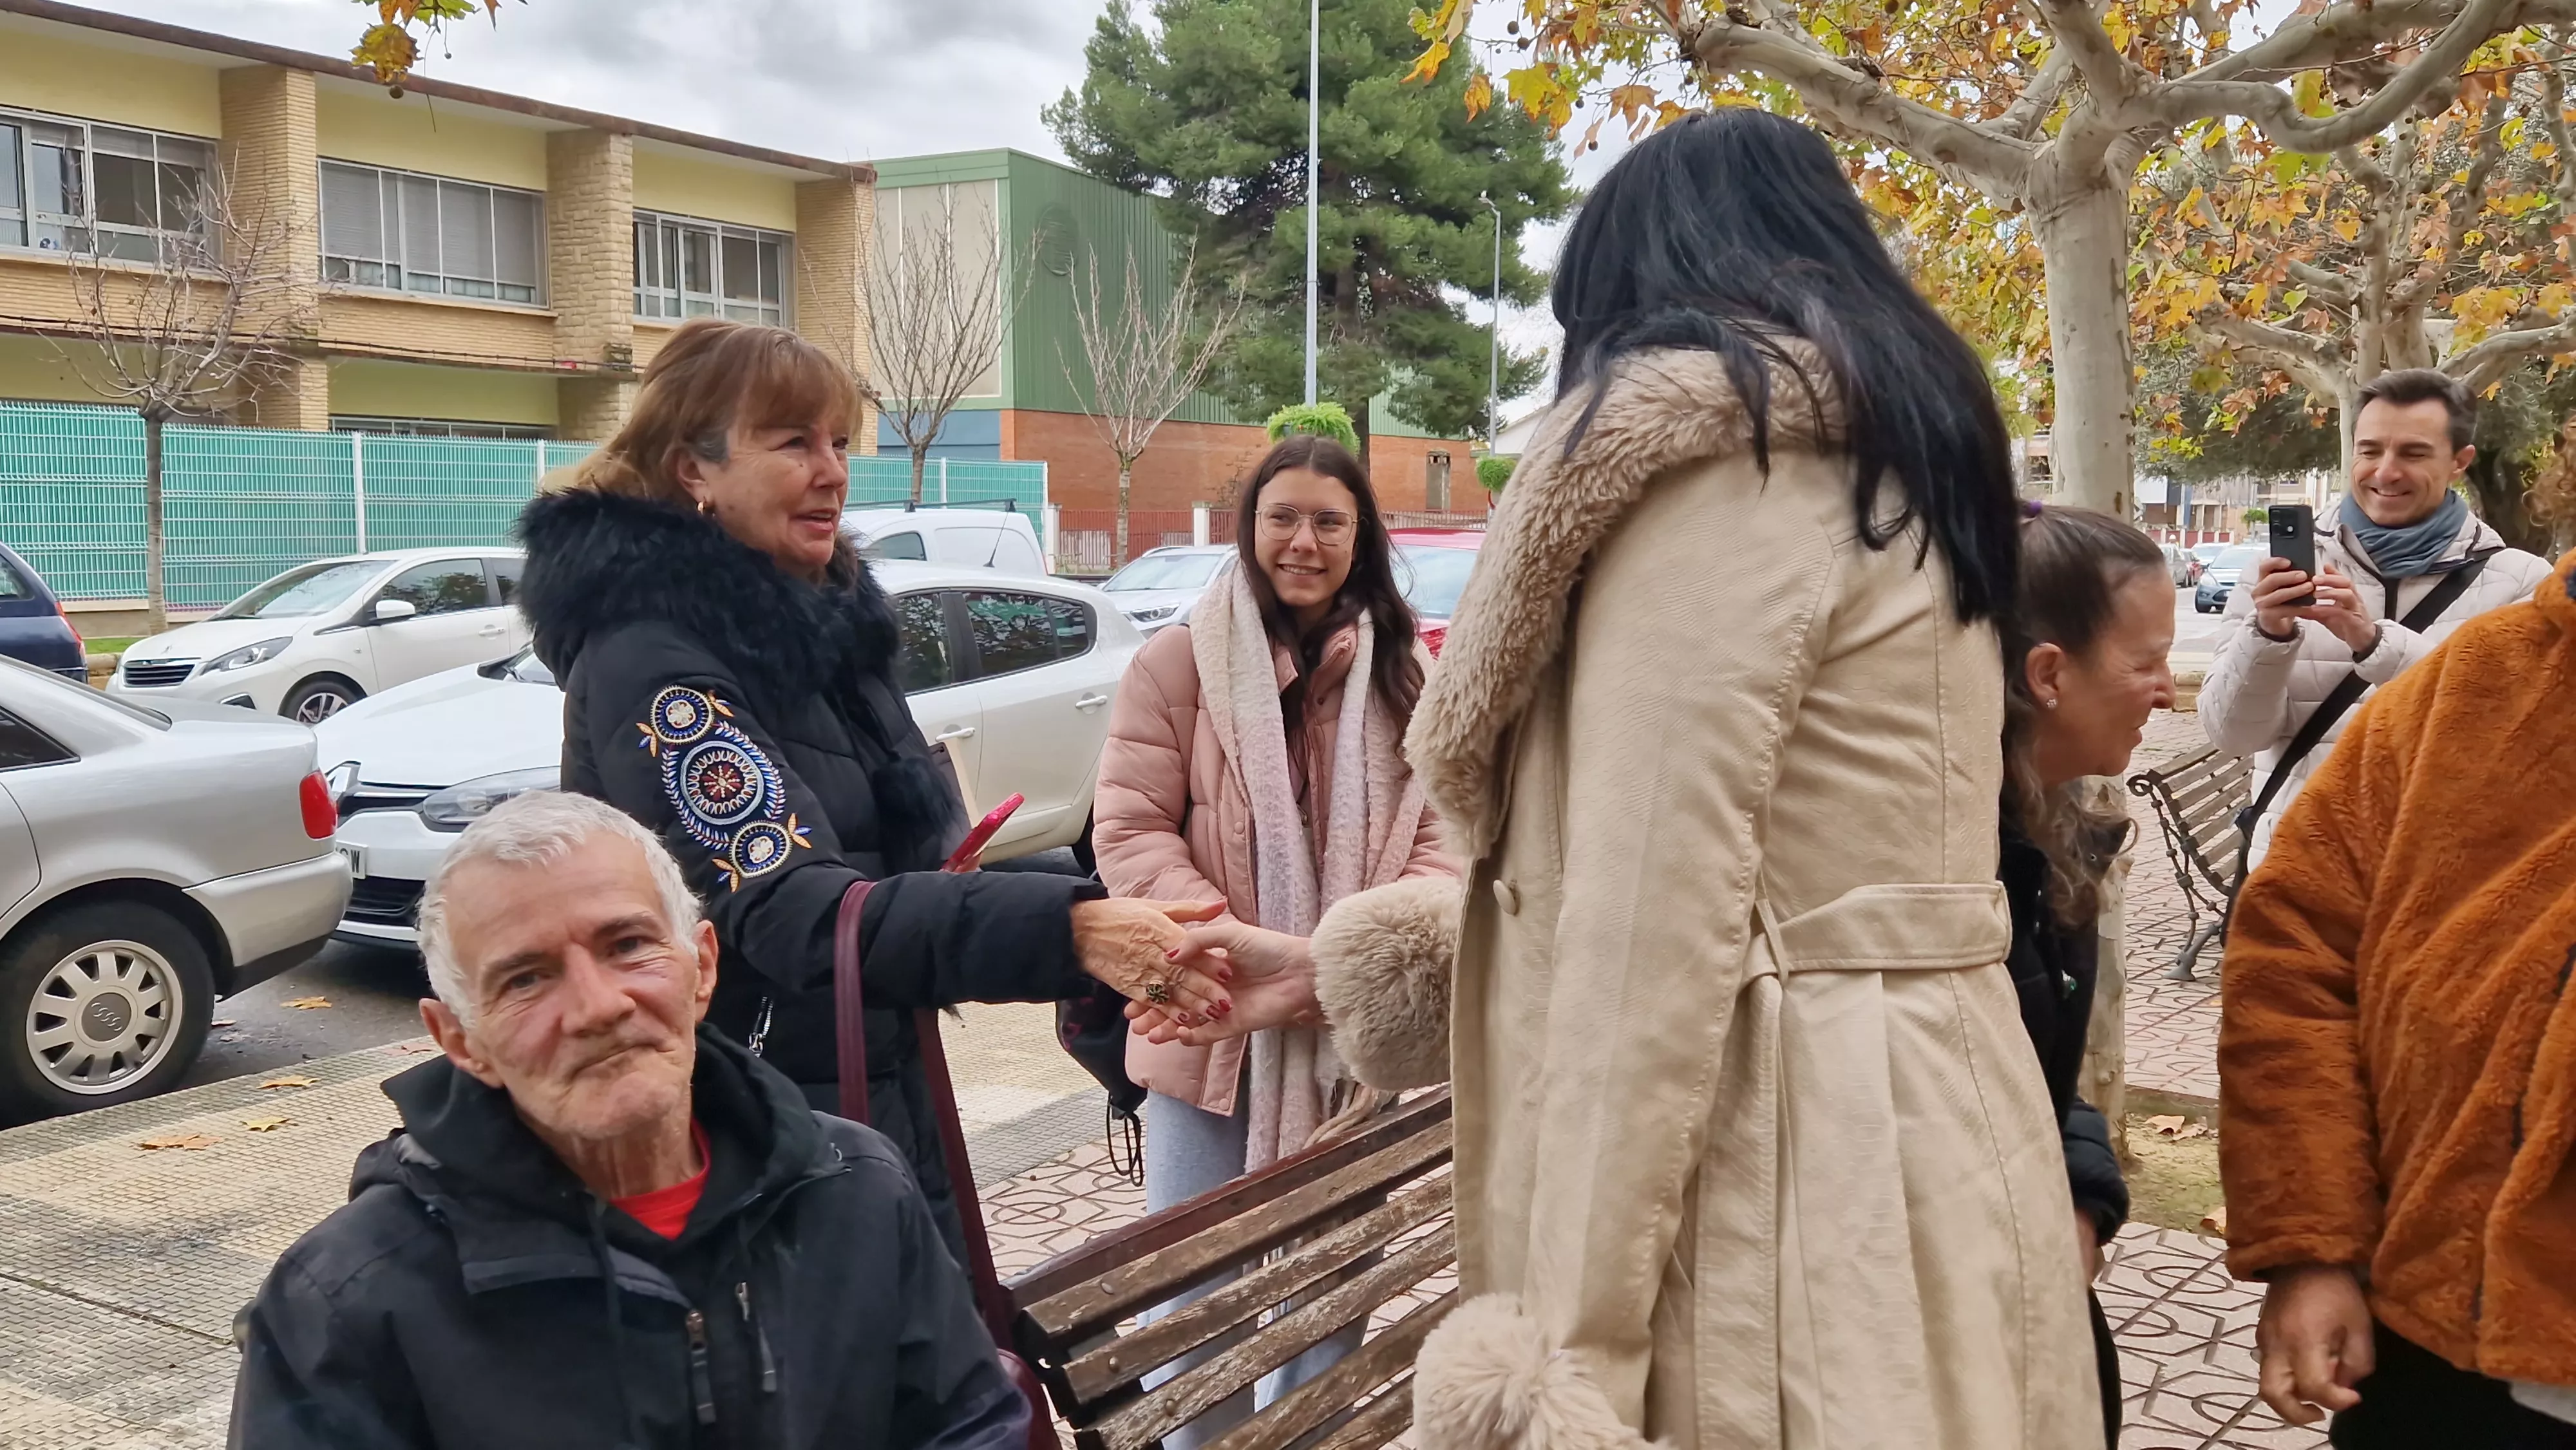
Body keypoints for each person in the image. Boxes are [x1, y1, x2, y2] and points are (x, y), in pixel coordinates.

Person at [1144, 109, 2097, 1449]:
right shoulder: (1898, 483)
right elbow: (1812, 872)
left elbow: (1656, 923)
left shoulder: (1729, 487)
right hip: (1928, 1132)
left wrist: (1564, 1358)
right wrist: (1358, 966)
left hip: (1765, 1175)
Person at [515, 319, 1223, 1261]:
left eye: (840, 442)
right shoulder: (654, 665)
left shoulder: (825, 625)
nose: (833, 471)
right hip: (756, 1129)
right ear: (696, 470)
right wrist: (1069, 931)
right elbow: (798, 911)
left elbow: (881, 861)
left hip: (864, 1081)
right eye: (793, 442)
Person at [230, 791, 1028, 1448]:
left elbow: (967, 1426)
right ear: (460, 1040)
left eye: (627, 945)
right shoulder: (344, 1301)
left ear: (702, 968)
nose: (598, 1006)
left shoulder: (855, 1186)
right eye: (527, 978)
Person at [1092, 434, 1457, 1444]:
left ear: (1362, 538)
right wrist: (1230, 950)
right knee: (1191, 1300)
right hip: (1205, 1023)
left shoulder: (1407, 678)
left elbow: (1445, 839)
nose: (1304, 540)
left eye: (1329, 521)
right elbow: (1126, 829)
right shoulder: (1176, 663)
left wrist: (1338, 967)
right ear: (1249, 530)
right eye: (1282, 517)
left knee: (1329, 1295)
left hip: (1350, 1043)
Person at [2219, 545, 2576, 1447]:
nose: (2386, 472)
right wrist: (2311, 1243)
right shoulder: (2476, 678)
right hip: (2433, 1331)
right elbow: (2294, 959)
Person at [2200, 368, 2552, 869]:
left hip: (2445, 880)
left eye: (2413, 453)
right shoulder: (2275, 577)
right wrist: (2268, 636)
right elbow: (2233, 736)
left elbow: (2512, 735)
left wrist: (2373, 644)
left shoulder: (2520, 581)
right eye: (2370, 451)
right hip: (2299, 877)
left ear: (2459, 461)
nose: (2385, 472)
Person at [2002, 504, 2179, 1445]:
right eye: (2146, 662)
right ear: (2048, 674)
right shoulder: (1955, 879)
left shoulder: (2051, 840)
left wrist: (2081, 1197)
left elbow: (2044, 1086)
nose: (2167, 693)